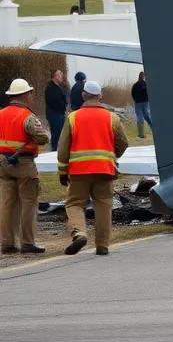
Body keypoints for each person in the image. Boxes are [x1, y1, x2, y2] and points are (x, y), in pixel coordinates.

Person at [59, 81, 128, 256]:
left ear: (83, 95)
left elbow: (63, 148)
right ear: (100, 96)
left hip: (79, 171)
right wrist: (112, 155)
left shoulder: (72, 118)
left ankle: (80, 233)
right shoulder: (112, 118)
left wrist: (62, 171)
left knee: (75, 203)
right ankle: (102, 245)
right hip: (104, 170)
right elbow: (123, 142)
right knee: (104, 205)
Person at [0, 79, 51, 255]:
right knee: (28, 202)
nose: (31, 96)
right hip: (24, 164)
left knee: (7, 204)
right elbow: (43, 137)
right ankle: (27, 242)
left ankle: (7, 243)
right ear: (24, 95)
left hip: (3, 164)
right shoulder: (27, 116)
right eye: (30, 93)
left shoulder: (1, 114)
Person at [44, 69, 67, 149]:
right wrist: (63, 107)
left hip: (56, 115)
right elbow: (54, 103)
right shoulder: (51, 88)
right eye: (60, 74)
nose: (62, 76)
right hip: (55, 115)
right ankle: (55, 152)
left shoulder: (55, 86)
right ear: (55, 76)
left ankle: (56, 150)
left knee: (57, 137)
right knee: (57, 137)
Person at [130, 71, 152, 139]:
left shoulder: (135, 85)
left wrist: (136, 100)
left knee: (141, 118)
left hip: (139, 103)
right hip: (144, 102)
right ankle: (151, 130)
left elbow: (132, 94)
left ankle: (141, 134)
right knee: (146, 117)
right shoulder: (145, 85)